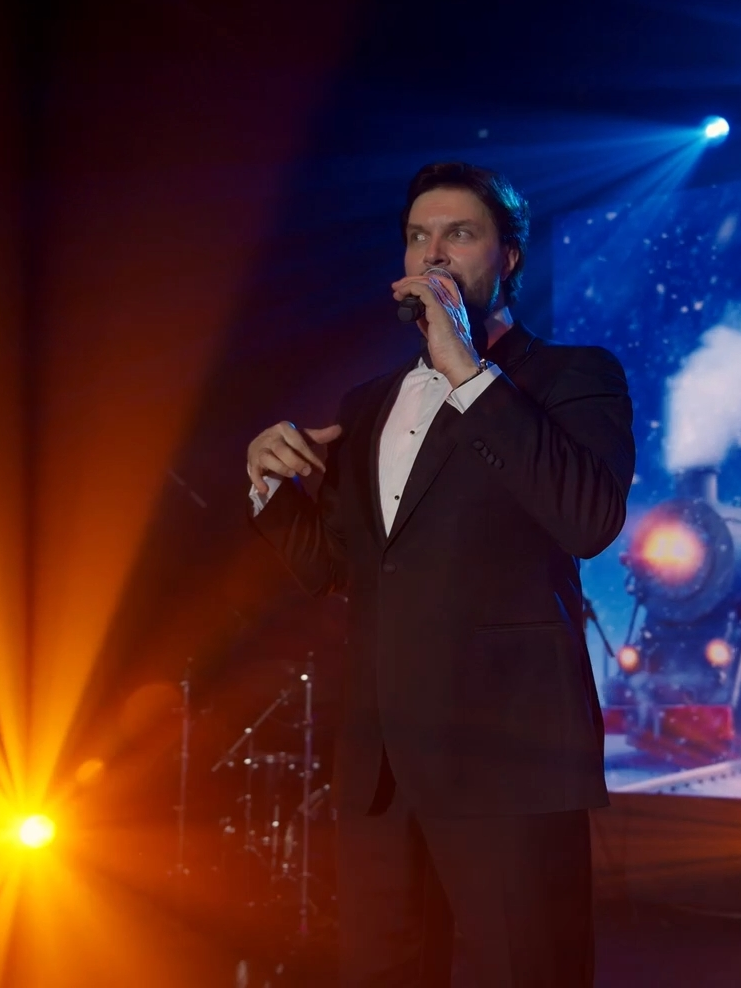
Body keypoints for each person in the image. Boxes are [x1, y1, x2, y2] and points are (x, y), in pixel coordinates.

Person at [245, 161, 634, 987]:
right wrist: (274, 491)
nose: (435, 254)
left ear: (510, 258)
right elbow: (340, 570)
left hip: (509, 757)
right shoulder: (369, 403)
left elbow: (588, 520)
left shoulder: (573, 377)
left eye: (459, 234)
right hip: (383, 760)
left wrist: (465, 367)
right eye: (419, 236)